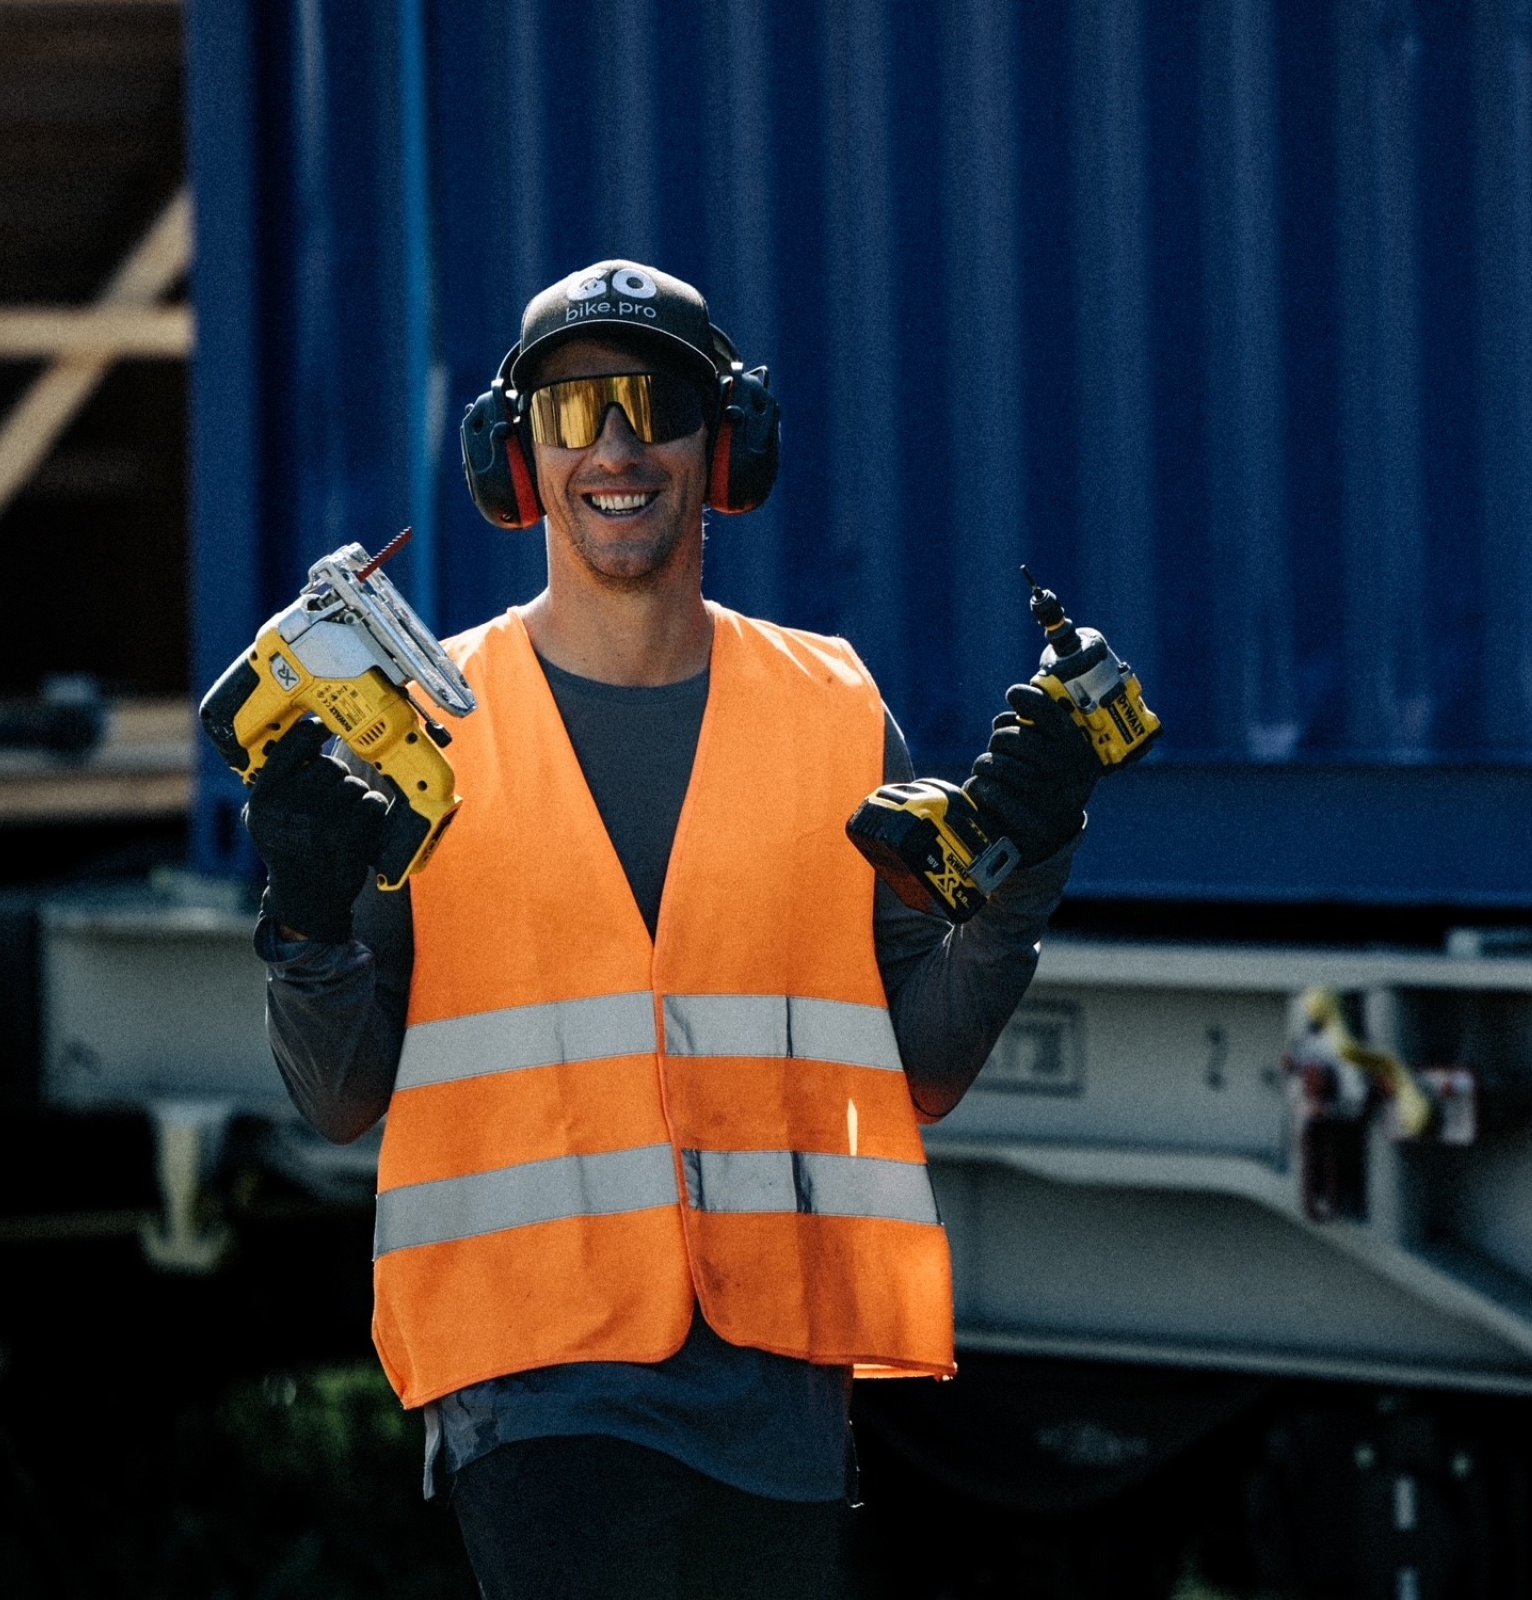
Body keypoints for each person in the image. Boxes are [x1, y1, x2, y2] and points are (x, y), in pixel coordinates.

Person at [247, 260, 1107, 1600]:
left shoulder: (834, 711)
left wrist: (1029, 867)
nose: (618, 449)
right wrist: (305, 924)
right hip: (530, 1378)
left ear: (728, 443)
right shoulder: (427, 729)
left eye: (655, 405)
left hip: (780, 1385)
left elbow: (919, 1065)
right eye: (573, 414)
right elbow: (340, 1094)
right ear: (515, 458)